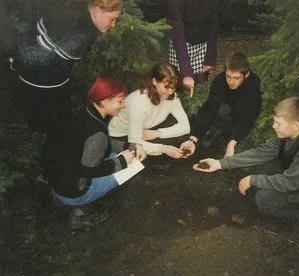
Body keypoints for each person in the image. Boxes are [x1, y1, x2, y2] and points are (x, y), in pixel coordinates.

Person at [9, 0, 124, 181]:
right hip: (43, 88)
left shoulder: (75, 10)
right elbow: (36, 56)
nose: (114, 24)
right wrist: (18, 62)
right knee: (56, 130)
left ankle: (52, 167)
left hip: (43, 80)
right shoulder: (79, 37)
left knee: (58, 127)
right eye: (112, 19)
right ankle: (52, 175)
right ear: (97, 11)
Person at [193, 97, 299, 224]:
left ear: (296, 125)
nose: (273, 126)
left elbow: (290, 183)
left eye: (278, 124)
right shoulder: (292, 133)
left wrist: (253, 180)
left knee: (264, 200)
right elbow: (262, 152)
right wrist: (219, 163)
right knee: (263, 164)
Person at [45, 77, 140, 229]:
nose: (123, 106)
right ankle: (82, 209)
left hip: (57, 183)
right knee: (130, 167)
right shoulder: (97, 133)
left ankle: (64, 200)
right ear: (104, 101)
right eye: (119, 101)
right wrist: (123, 162)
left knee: (114, 157)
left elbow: (101, 146)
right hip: (74, 192)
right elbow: (89, 170)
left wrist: (128, 145)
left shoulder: (85, 112)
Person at [180, 52, 262, 158]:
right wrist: (193, 138)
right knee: (221, 110)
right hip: (224, 111)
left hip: (240, 113)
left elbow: (248, 116)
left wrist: (233, 142)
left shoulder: (253, 84)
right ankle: (213, 133)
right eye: (228, 76)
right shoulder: (220, 80)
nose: (231, 82)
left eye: (236, 78)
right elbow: (209, 107)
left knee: (234, 115)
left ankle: (226, 139)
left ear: (246, 75)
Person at [109, 62, 190, 159]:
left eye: (174, 87)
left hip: (145, 131)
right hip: (121, 137)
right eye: (167, 87)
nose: (171, 92)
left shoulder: (172, 97)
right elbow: (135, 142)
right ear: (154, 81)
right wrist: (163, 148)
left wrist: (157, 133)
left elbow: (185, 127)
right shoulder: (138, 103)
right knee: (148, 157)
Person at [168, 0, 219, 96]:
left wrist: (210, 58)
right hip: (181, 46)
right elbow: (177, 32)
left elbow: (214, 23)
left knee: (199, 89)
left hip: (202, 45)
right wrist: (186, 72)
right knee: (181, 90)